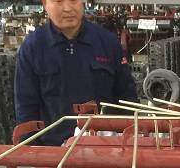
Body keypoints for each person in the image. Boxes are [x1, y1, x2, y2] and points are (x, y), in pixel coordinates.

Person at [14, 0, 138, 146]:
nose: (68, 8)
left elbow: (126, 99)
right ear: (45, 4)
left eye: (74, 0)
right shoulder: (33, 47)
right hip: (54, 149)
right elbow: (26, 106)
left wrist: (128, 144)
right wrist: (31, 151)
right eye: (59, 1)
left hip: (105, 147)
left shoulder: (108, 42)